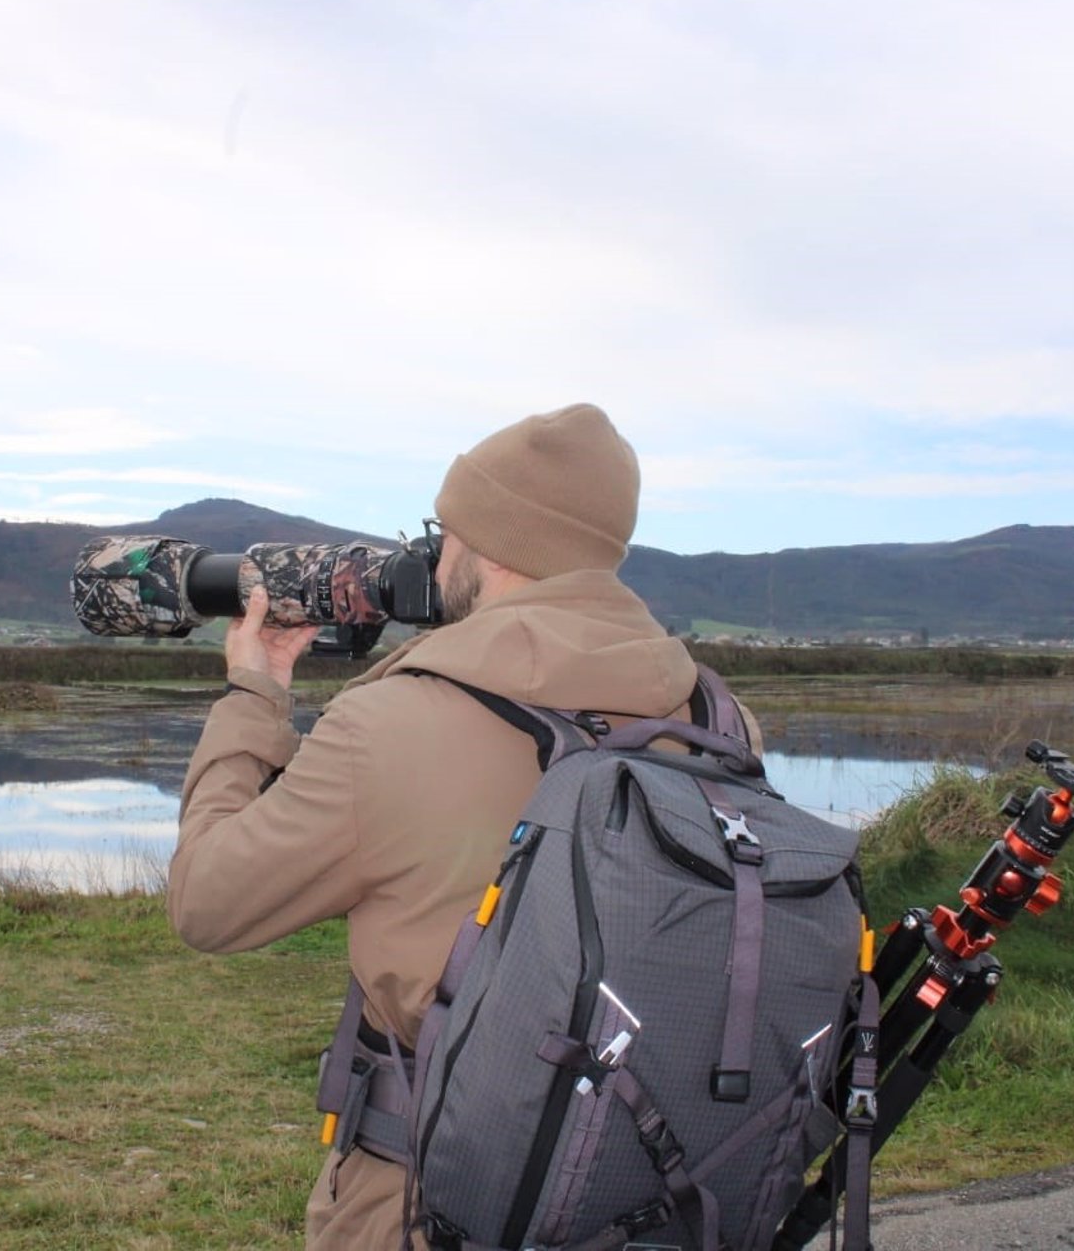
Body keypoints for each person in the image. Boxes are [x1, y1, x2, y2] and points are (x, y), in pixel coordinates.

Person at [168, 403, 763, 1248]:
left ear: (492, 547)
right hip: (659, 1194)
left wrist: (253, 693)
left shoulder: (392, 723)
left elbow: (207, 904)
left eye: (446, 533)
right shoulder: (718, 715)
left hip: (437, 1198)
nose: (436, 556)